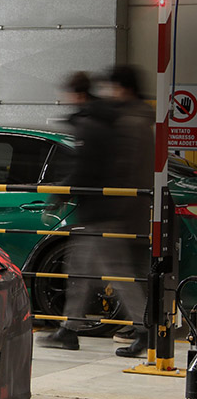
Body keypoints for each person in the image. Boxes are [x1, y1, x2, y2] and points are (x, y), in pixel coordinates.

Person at [39, 67, 153, 357]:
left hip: (106, 212)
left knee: (117, 273)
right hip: (106, 211)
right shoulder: (115, 119)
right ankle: (70, 329)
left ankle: (144, 330)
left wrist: (59, 195)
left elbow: (92, 168)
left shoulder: (110, 123)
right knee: (81, 270)